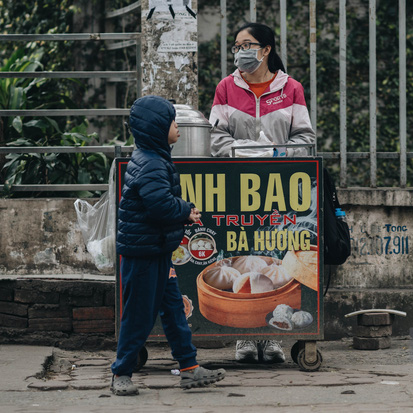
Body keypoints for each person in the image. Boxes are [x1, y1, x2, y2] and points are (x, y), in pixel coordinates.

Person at [209, 22, 316, 363]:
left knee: (275, 261)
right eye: (236, 46)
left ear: (266, 49)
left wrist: (279, 153)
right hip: (237, 189)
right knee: (243, 254)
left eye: (248, 45)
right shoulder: (226, 88)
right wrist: (245, 152)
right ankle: (244, 338)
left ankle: (272, 338)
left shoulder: (292, 89)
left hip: (280, 190)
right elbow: (216, 140)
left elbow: (305, 140)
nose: (241, 52)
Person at [111, 95, 226, 395]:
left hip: (158, 251)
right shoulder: (150, 164)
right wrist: (185, 210)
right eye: (173, 123)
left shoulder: (155, 158)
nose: (177, 128)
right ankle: (121, 372)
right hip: (143, 256)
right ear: (157, 129)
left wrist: (182, 212)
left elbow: (160, 204)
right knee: (137, 316)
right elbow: (159, 206)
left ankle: (189, 368)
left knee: (175, 310)